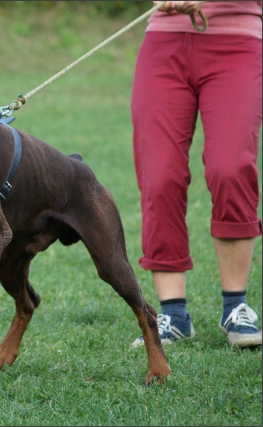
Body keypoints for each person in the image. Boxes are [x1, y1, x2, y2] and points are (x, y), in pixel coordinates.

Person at [130, 1, 262, 348]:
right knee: (158, 178)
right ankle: (173, 315)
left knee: (230, 168)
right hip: (163, 44)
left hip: (238, 44)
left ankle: (236, 307)